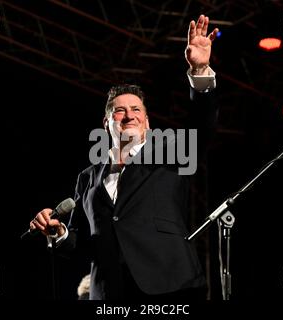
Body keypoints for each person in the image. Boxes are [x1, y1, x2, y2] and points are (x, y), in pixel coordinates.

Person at [30, 14, 219, 300]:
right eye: (119, 110)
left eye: (136, 109)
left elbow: (202, 126)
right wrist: (60, 234)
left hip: (169, 287)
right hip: (109, 292)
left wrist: (201, 69)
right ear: (107, 123)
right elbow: (84, 243)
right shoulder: (87, 178)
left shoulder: (169, 154)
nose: (129, 115)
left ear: (147, 123)